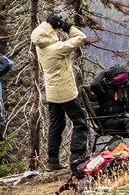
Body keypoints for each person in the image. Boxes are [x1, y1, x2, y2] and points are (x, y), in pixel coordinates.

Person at [31, 14, 89, 173]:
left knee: (57, 124)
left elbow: (40, 32)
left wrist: (50, 25)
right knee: (80, 121)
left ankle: (52, 160)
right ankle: (76, 156)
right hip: (66, 92)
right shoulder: (57, 49)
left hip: (52, 93)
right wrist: (65, 26)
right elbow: (80, 37)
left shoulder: (40, 46)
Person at [88, 66, 129, 149]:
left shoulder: (125, 87)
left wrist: (124, 73)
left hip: (125, 117)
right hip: (110, 120)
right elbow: (94, 85)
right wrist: (104, 73)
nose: (121, 85)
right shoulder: (104, 90)